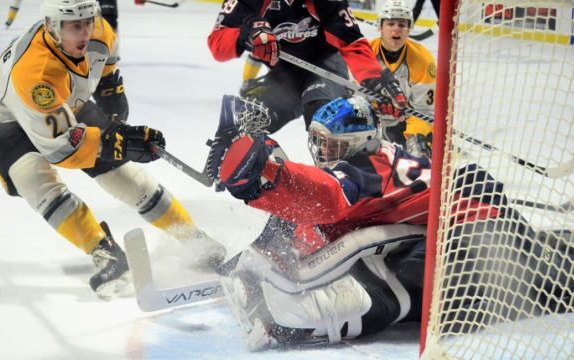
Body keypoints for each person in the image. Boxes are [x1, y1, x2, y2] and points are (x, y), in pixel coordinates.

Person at [205, 94, 572, 350]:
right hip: (452, 226)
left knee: (528, 285)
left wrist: (262, 175)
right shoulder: (365, 164)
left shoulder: (367, 167)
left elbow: (325, 198)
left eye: (329, 145)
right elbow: (306, 215)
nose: (321, 153)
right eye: (316, 142)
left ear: (359, 141)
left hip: (473, 229)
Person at [0, 0, 226, 300]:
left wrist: (110, 87)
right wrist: (120, 141)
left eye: (88, 22)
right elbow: (65, 149)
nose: (85, 32)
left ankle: (192, 237)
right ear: (53, 27)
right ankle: (103, 251)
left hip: (64, 101)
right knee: (34, 179)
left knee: (121, 173)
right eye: (75, 26)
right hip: (7, 119)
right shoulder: (35, 74)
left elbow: (106, 65)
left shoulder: (100, 31)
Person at [207, 0, 408, 135]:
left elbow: (351, 42)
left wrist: (375, 78)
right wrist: (246, 33)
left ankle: (348, 182)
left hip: (324, 67)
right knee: (244, 126)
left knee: (325, 123)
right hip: (284, 75)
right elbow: (217, 44)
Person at [370, 0, 436, 158]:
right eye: (390, 23)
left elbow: (425, 111)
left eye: (402, 25)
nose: (396, 29)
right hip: (371, 122)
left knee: (419, 157)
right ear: (380, 27)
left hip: (404, 122)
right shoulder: (366, 53)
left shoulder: (423, 59)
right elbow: (354, 98)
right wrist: (374, 108)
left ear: (409, 29)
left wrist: (415, 137)